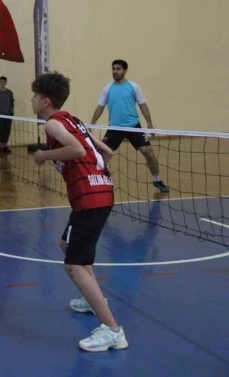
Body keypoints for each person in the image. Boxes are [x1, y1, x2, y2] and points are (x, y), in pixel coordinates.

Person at [31, 71, 128, 352]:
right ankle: (91, 298)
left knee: (73, 265)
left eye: (35, 96)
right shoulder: (74, 120)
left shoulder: (53, 124)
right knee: (67, 244)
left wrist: (44, 156)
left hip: (89, 197)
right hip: (100, 192)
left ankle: (113, 331)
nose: (32, 100)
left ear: (45, 101)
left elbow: (76, 150)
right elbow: (107, 151)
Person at [90, 59, 169, 193]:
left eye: (118, 69)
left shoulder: (134, 87)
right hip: (114, 129)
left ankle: (157, 180)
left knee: (149, 153)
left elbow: (143, 105)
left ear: (125, 71)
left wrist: (149, 124)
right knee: (101, 157)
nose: (115, 71)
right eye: (113, 69)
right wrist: (93, 122)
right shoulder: (107, 89)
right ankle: (97, 184)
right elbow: (100, 107)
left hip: (133, 126)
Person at [0, 76, 15, 154]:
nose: (2, 83)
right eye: (1, 81)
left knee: (7, 130)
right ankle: (1, 146)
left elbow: (12, 103)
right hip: (0, 115)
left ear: (6, 82)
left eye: (4, 81)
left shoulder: (9, 92)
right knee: (2, 130)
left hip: (9, 114)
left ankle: (5, 146)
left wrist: (11, 111)